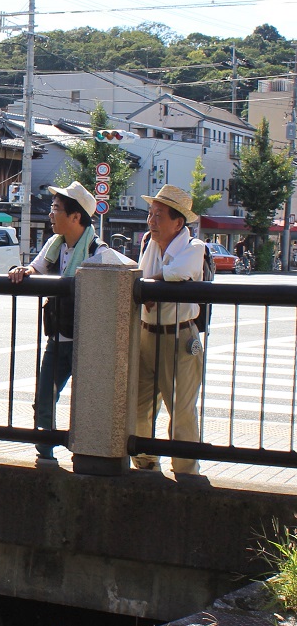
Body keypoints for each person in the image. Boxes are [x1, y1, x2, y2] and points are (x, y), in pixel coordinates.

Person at [7, 182, 114, 461]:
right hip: (57, 336)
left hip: (87, 342)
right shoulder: (55, 244)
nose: (50, 214)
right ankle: (45, 453)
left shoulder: (98, 252)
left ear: (76, 217)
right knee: (44, 399)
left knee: (87, 402)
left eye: (56, 208)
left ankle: (86, 454)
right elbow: (36, 267)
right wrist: (24, 271)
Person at [134, 184, 207, 475]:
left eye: (159, 215)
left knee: (181, 412)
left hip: (180, 337)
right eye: (150, 214)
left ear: (178, 223)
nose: (151, 221)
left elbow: (177, 272)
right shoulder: (149, 243)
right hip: (146, 333)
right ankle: (146, 463)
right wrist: (150, 284)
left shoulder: (194, 247)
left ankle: (186, 473)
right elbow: (140, 277)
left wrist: (150, 284)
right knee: (138, 407)